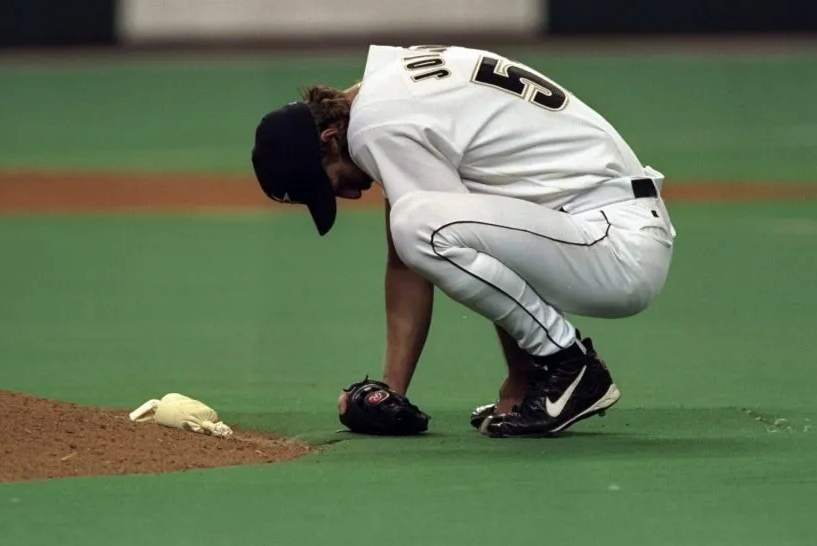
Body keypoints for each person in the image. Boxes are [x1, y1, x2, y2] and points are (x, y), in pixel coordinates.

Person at [251, 44, 676, 438]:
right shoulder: (384, 93)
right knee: (415, 225)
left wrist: (523, 375)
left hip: (613, 242)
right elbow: (410, 259)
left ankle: (568, 364)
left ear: (329, 140)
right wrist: (390, 391)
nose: (344, 195)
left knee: (417, 225)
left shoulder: (377, 126)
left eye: (325, 184)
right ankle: (554, 364)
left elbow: (444, 237)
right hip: (601, 227)